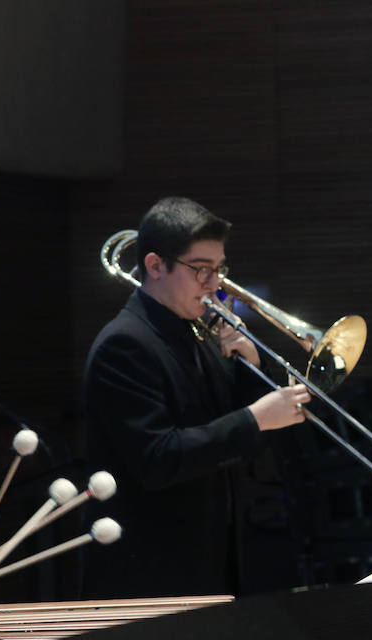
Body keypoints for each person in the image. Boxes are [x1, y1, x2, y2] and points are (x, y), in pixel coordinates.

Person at [80, 197, 310, 599]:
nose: (214, 284)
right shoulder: (124, 344)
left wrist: (250, 364)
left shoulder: (196, 333)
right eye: (200, 269)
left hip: (212, 560)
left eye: (219, 269)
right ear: (154, 266)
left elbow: (248, 434)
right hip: (152, 573)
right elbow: (158, 458)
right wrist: (253, 418)